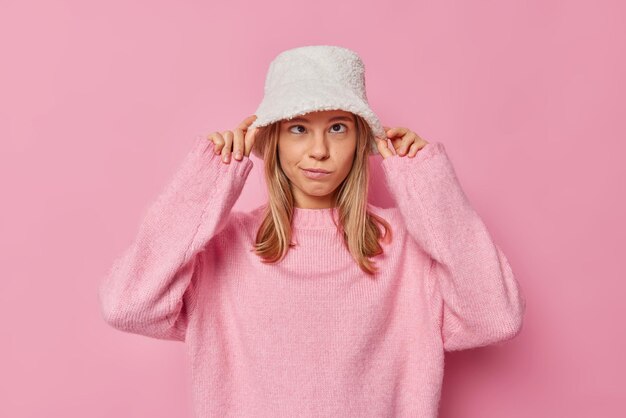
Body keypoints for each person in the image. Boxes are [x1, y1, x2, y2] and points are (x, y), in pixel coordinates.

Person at [98, 45, 526, 417]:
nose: (319, 150)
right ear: (272, 141)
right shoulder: (223, 248)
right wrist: (208, 177)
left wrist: (426, 181)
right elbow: (128, 305)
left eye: (337, 127)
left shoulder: (406, 248)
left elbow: (494, 317)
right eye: (298, 128)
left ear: (361, 140)